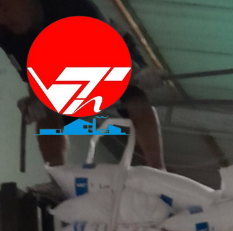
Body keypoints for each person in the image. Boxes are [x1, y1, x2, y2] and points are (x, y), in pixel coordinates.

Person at [0, 0, 165, 169]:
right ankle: (57, 174)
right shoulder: (6, 34)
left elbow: (118, 61)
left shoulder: (74, 6)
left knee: (134, 95)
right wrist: (35, 103)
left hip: (107, 52)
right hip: (61, 70)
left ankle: (157, 168)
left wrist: (140, 74)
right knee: (46, 112)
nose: (3, 20)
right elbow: (34, 81)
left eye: (4, 9)